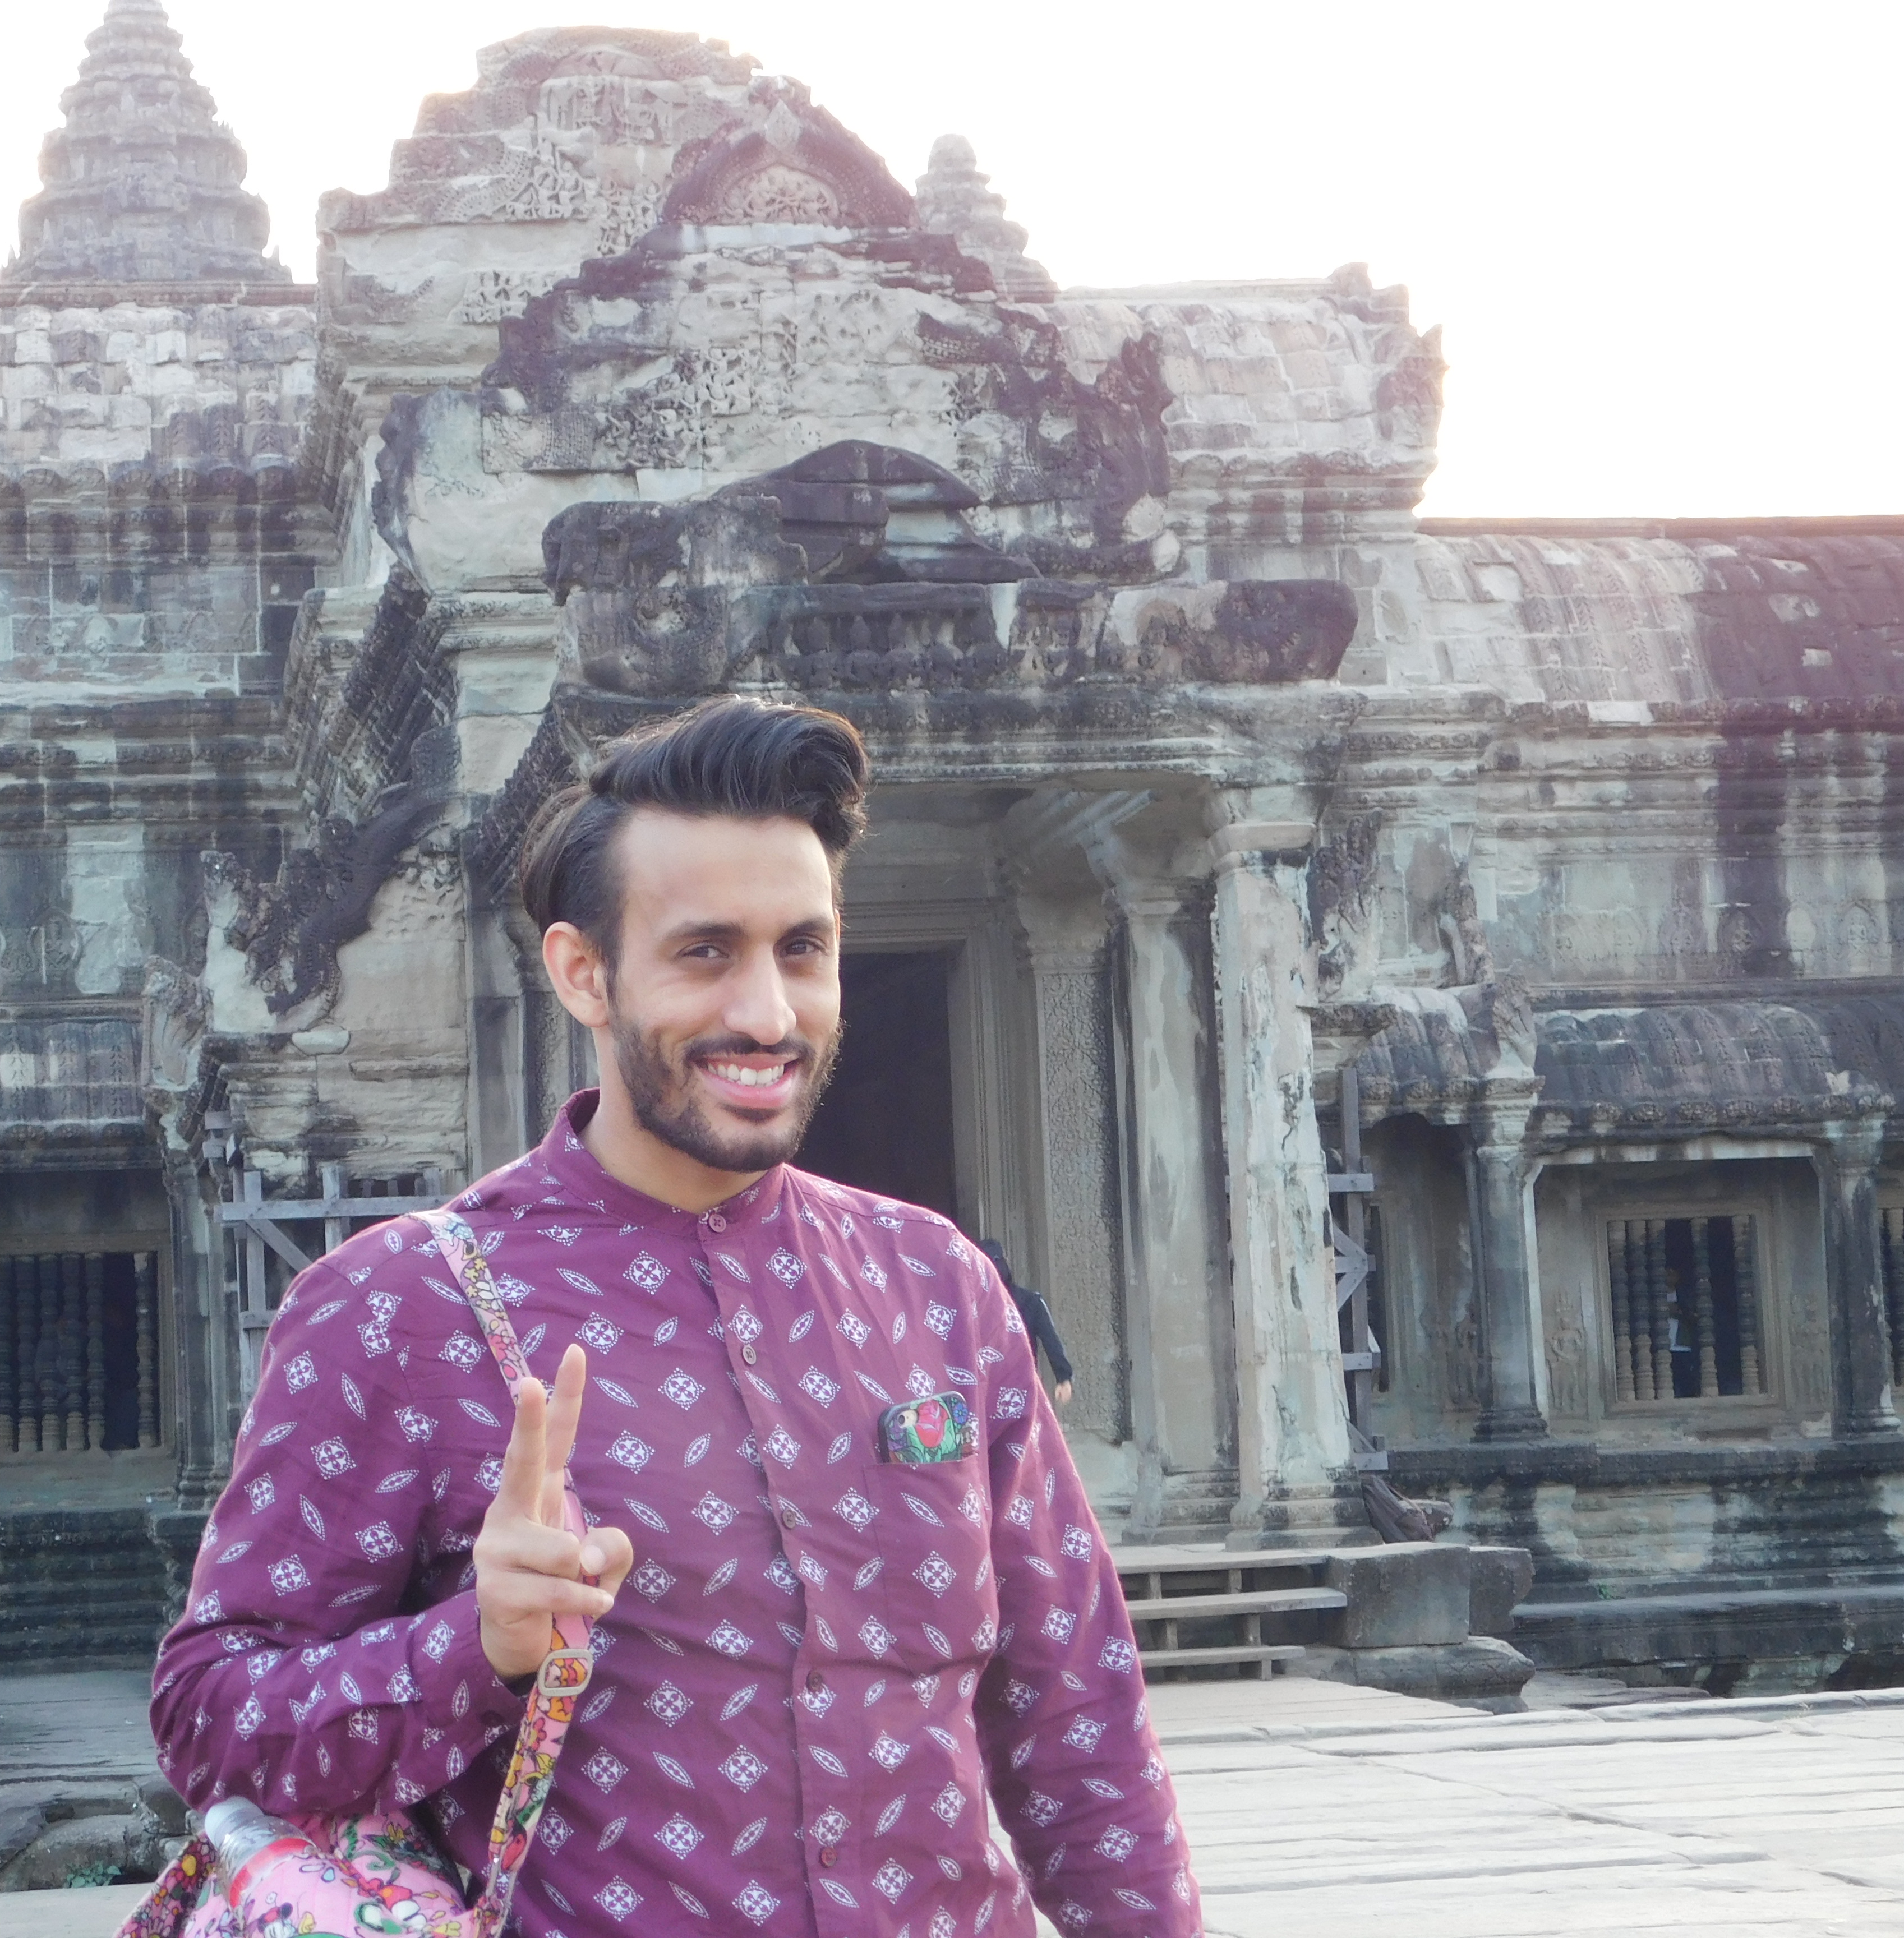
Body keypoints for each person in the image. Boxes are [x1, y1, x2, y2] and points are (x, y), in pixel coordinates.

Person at [151, 696, 1201, 1936]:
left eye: (801, 950)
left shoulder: (938, 1287)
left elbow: (1079, 1722)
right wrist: (477, 1646)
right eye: (705, 953)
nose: (767, 1014)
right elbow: (211, 1717)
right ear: (582, 973)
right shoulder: (397, 1307)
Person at [979, 1238, 1076, 1409]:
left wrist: (1064, 1377)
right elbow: (1052, 1342)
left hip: (991, 1393)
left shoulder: (976, 1307)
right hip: (1019, 1392)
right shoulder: (1031, 1302)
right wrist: (1064, 1378)